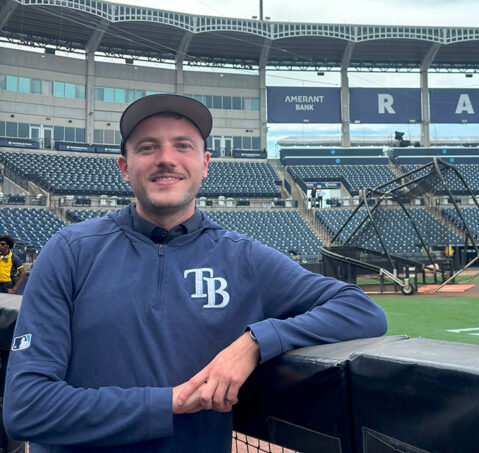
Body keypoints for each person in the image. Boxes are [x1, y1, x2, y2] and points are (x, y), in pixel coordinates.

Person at [3, 94, 388, 452]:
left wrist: (256, 341)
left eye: (183, 146)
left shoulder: (244, 258)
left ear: (204, 165)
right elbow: (27, 409)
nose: (166, 159)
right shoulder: (71, 250)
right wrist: (170, 402)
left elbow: (360, 309)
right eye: (147, 147)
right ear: (124, 167)